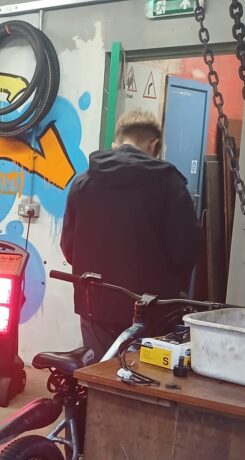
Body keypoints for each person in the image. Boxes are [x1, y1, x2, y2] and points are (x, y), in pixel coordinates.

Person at [61, 110, 202, 361]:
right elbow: (184, 250)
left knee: (99, 378)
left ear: (117, 143)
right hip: (153, 308)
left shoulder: (83, 183)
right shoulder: (170, 185)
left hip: (95, 304)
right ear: (154, 145)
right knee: (142, 382)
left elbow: (68, 246)